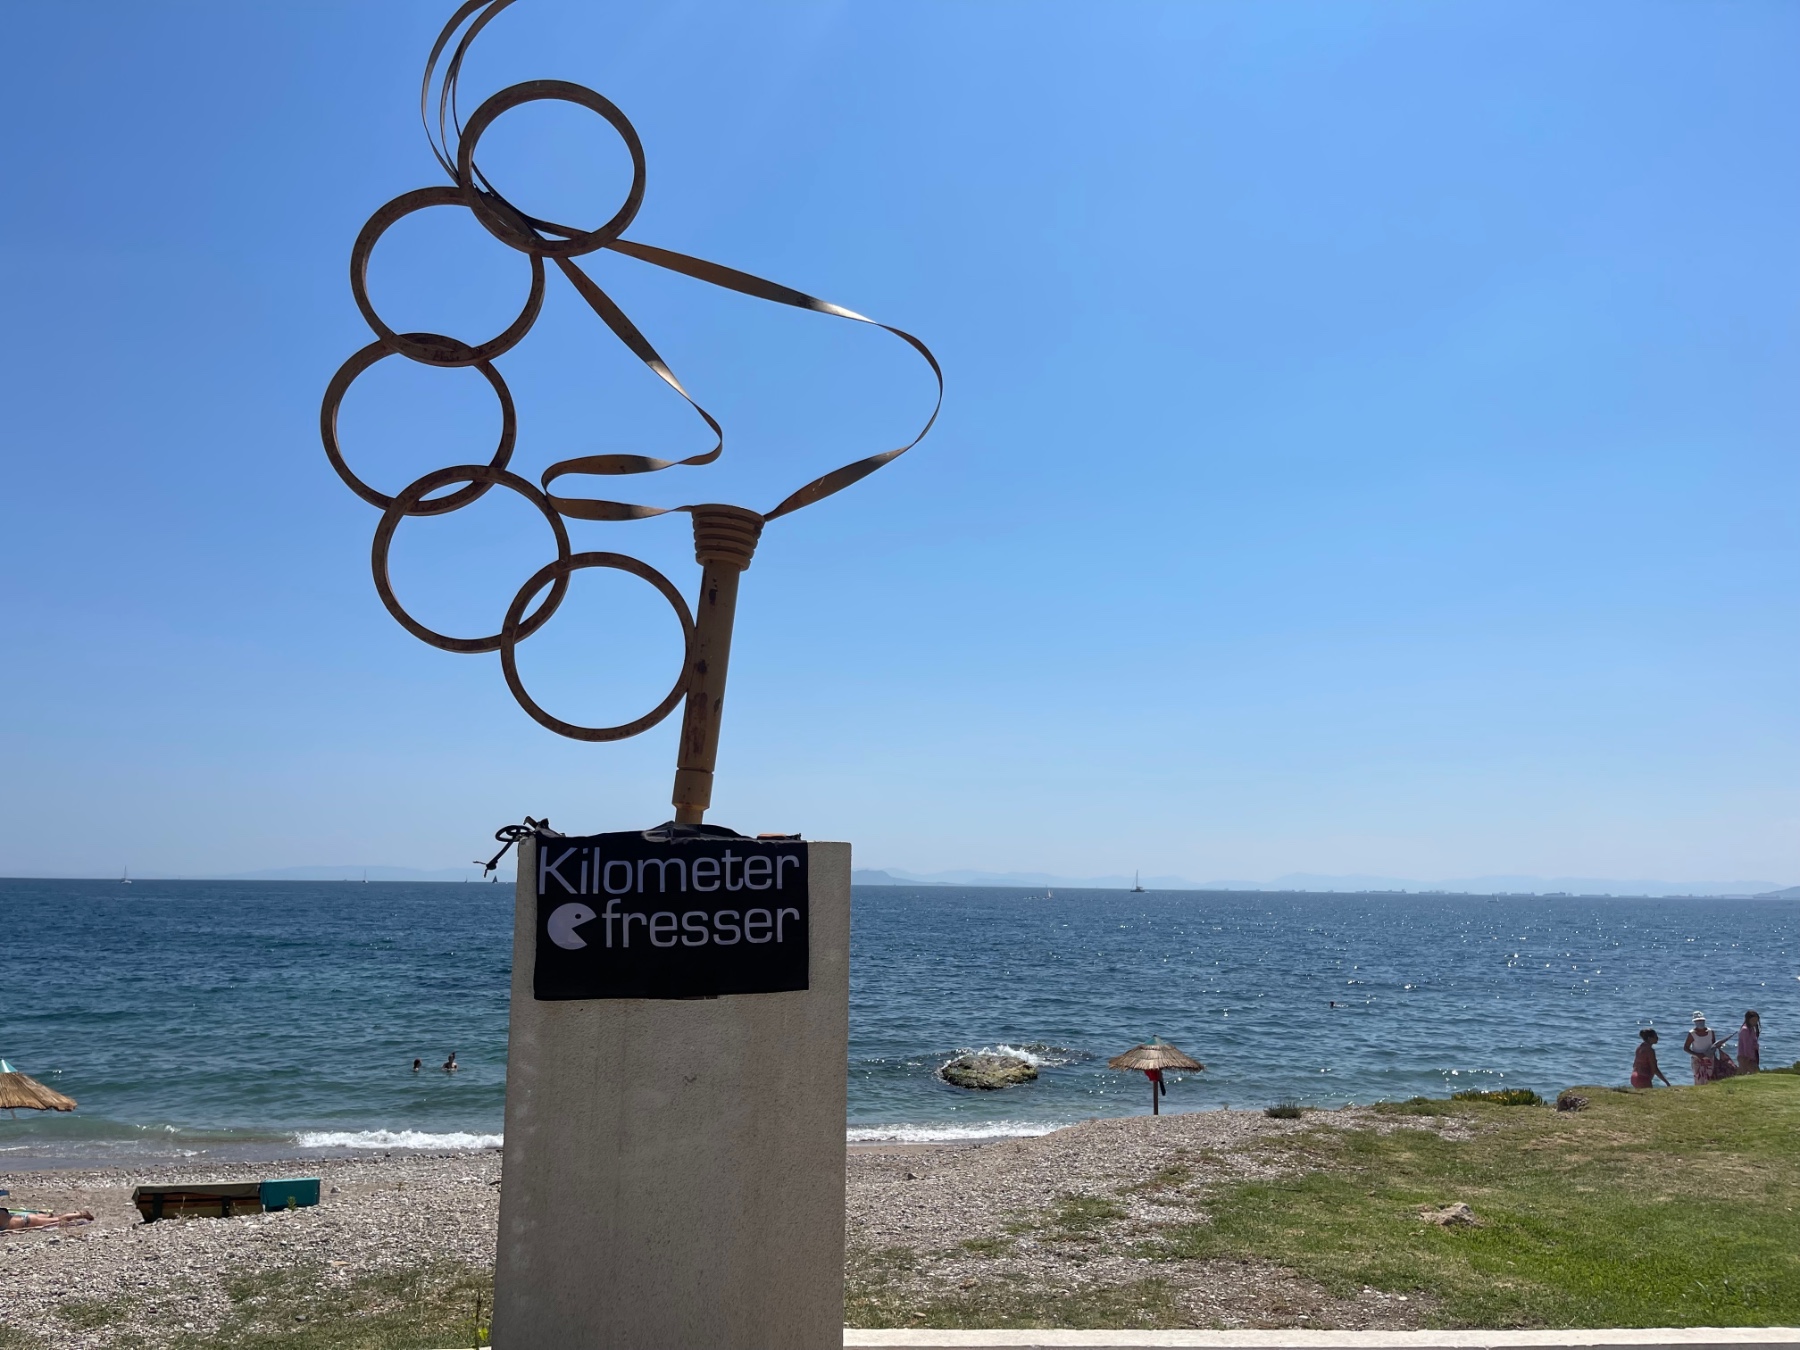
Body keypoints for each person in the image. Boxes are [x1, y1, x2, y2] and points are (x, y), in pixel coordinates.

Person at [1684, 1013, 1734, 1083]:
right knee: (1698, 1078)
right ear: (1694, 1022)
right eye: (1698, 1021)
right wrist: (1697, 1054)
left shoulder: (1711, 1032)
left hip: (1709, 1059)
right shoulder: (1692, 1034)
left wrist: (1717, 1048)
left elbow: (1713, 1045)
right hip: (1697, 1059)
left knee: (1709, 1078)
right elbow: (1686, 1048)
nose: (1700, 1022)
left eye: (1702, 1020)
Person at [1, 1207, 93, 1232]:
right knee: (54, 1218)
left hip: (27, 1222)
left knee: (59, 1220)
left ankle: (81, 1214)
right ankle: (47, 1215)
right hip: (24, 1217)